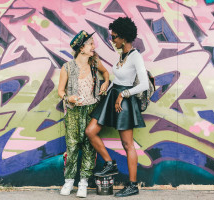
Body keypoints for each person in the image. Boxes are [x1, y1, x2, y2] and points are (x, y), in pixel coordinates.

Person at [85, 17, 149, 197]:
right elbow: (120, 78)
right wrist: (108, 86)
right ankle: (109, 163)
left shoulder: (136, 56)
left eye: (114, 37)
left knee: (128, 144)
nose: (112, 40)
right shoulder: (123, 55)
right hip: (113, 96)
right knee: (91, 131)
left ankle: (133, 185)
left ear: (124, 37)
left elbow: (143, 84)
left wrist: (123, 94)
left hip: (125, 101)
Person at [58, 30, 109, 198]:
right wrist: (68, 98)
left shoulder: (94, 63)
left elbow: (106, 73)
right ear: (81, 49)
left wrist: (106, 82)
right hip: (73, 111)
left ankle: (83, 182)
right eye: (91, 44)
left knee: (88, 147)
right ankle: (69, 181)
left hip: (91, 110)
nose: (94, 47)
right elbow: (60, 91)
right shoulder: (67, 67)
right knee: (72, 146)